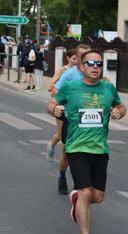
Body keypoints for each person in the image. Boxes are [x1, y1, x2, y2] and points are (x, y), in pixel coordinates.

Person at [47, 49, 126, 234]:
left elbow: (121, 106)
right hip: (77, 147)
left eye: (99, 63)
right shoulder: (70, 87)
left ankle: (76, 201)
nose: (95, 67)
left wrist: (119, 112)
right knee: (85, 192)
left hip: (100, 149)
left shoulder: (108, 88)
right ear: (81, 67)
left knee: (97, 197)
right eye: (90, 63)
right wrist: (53, 109)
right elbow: (52, 103)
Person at [49, 44, 90, 195]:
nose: (86, 59)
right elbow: (54, 90)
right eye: (83, 56)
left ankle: (81, 184)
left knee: (86, 153)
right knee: (67, 153)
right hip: (71, 120)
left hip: (88, 122)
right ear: (77, 58)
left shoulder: (95, 73)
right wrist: (58, 105)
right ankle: (61, 176)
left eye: (88, 55)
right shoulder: (69, 74)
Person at [47, 48, 77, 162]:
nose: (76, 61)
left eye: (77, 59)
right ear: (68, 58)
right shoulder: (63, 70)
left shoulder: (81, 72)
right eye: (73, 59)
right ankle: (51, 146)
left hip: (75, 107)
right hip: (62, 106)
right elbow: (51, 86)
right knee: (60, 135)